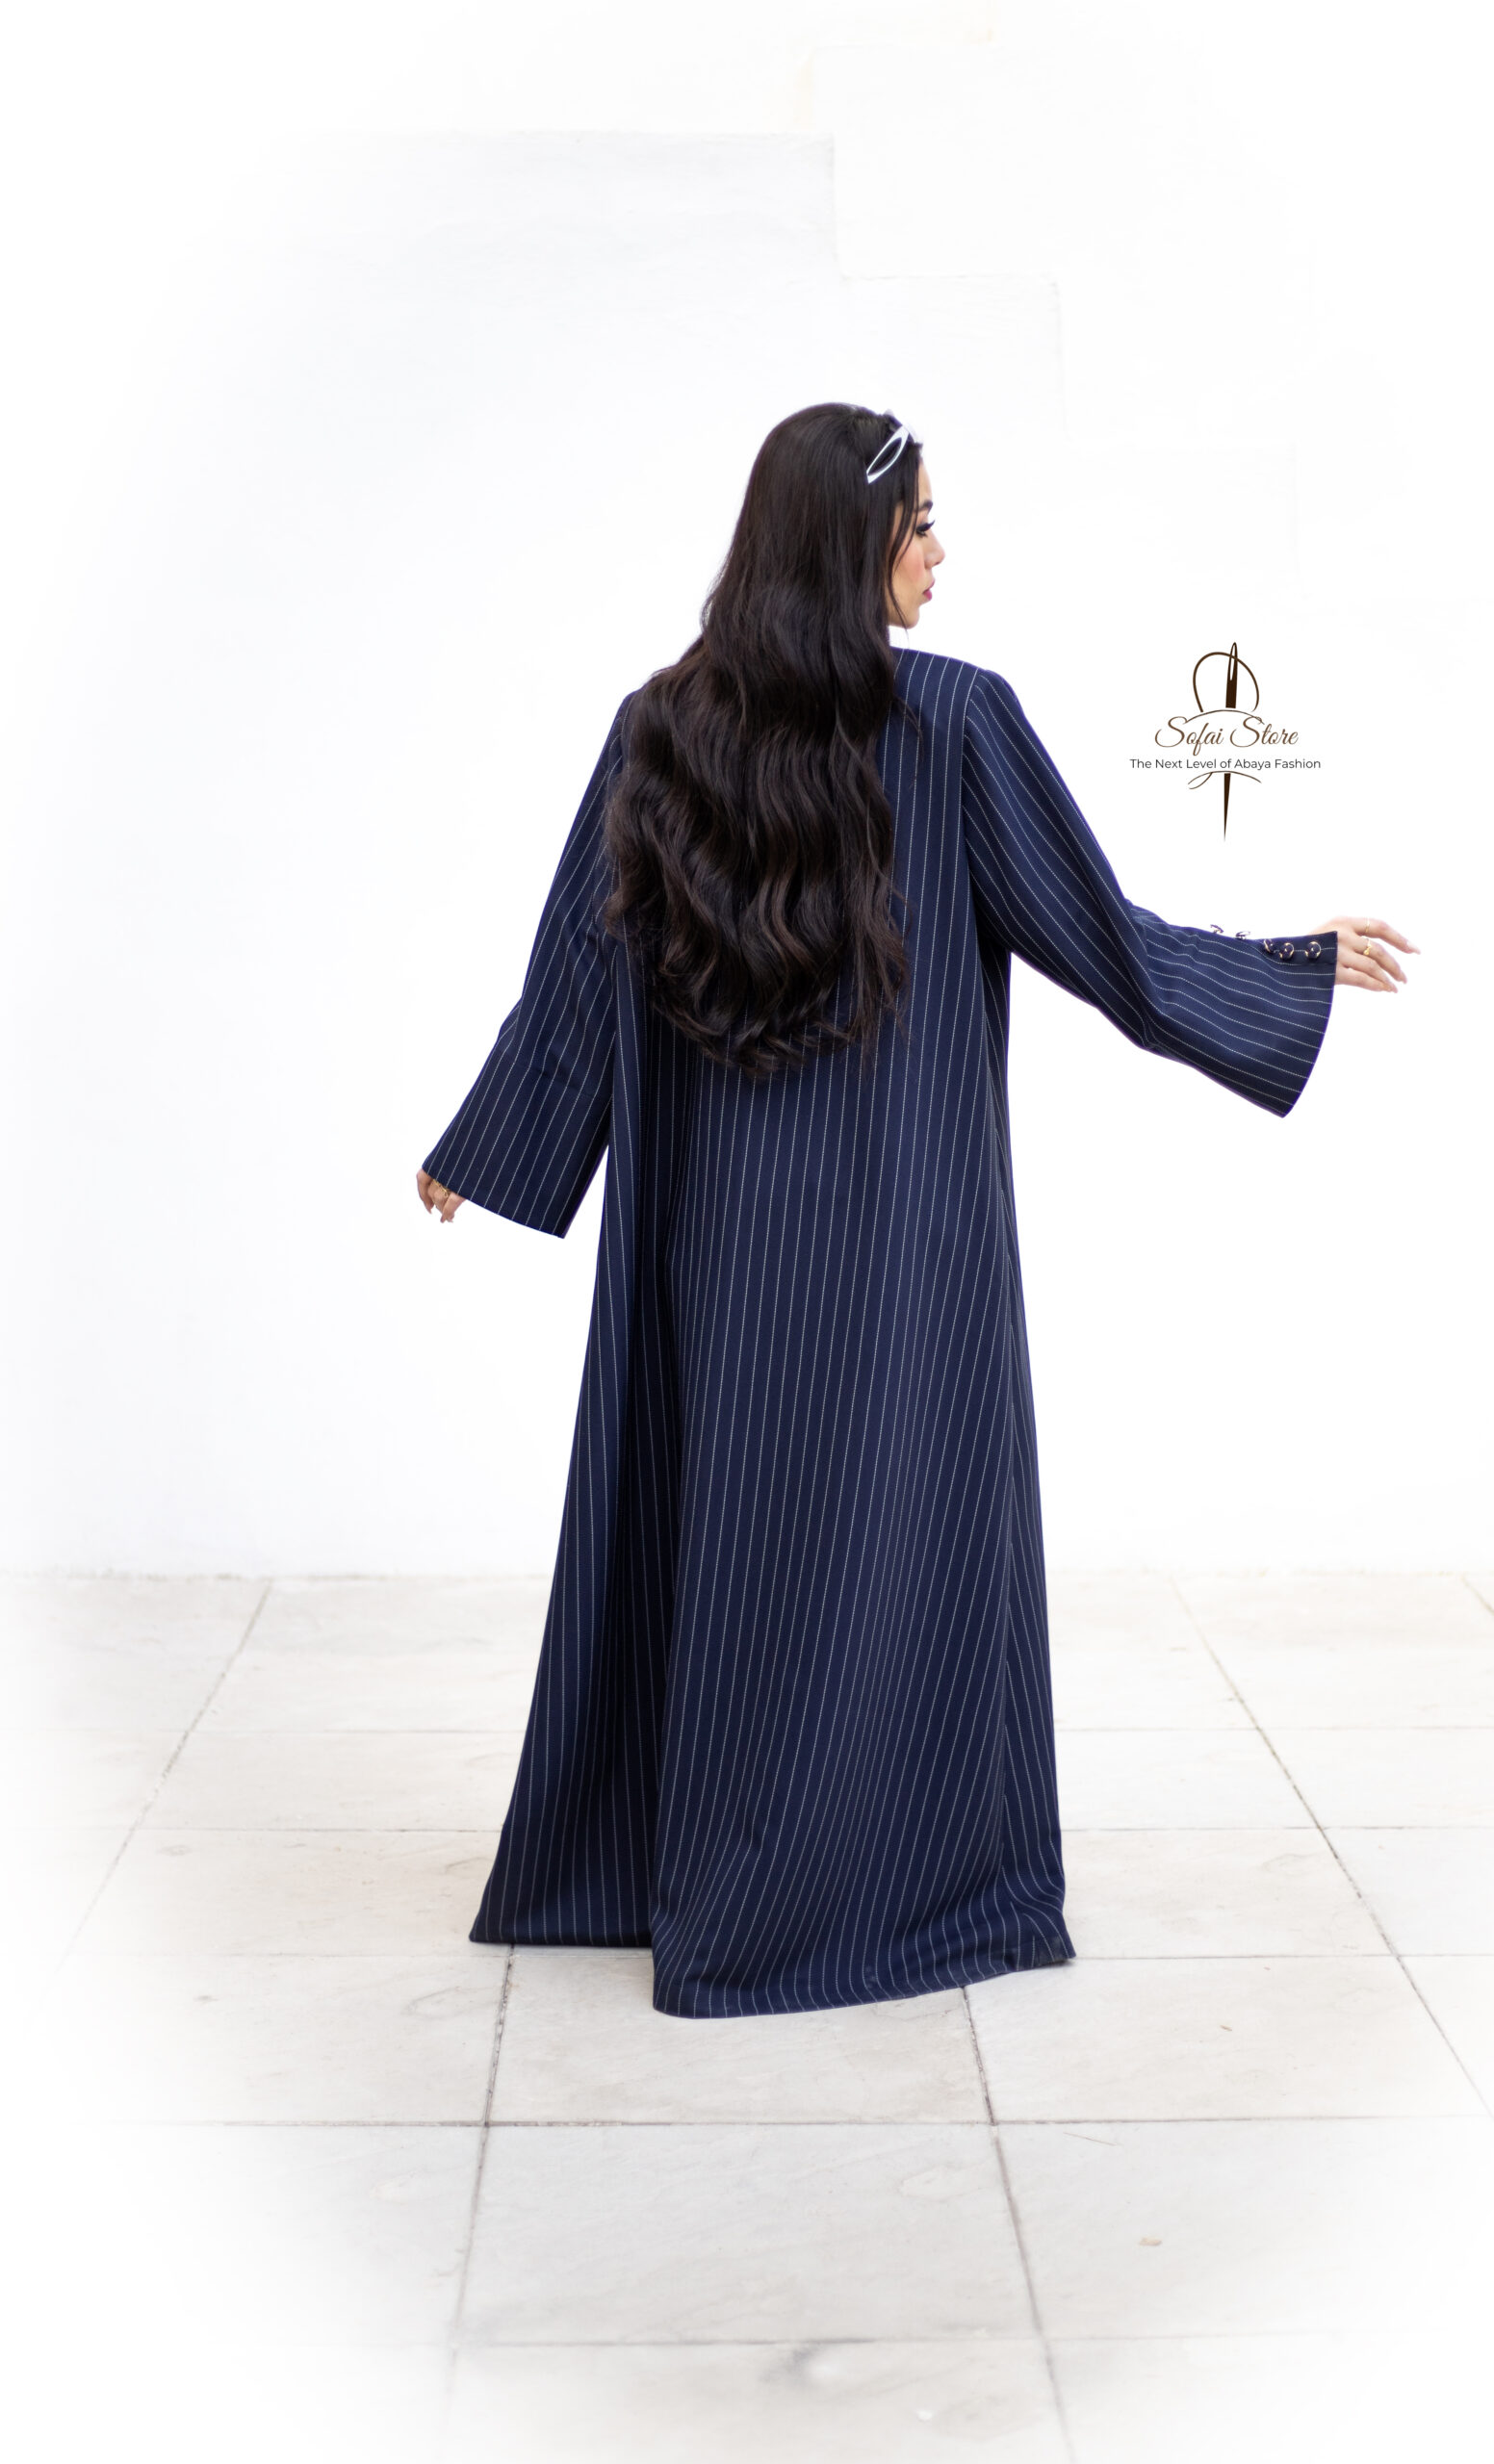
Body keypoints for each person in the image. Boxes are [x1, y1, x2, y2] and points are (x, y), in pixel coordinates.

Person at [416, 403, 1415, 2018]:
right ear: (850, 540)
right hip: (902, 1243)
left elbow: (582, 966)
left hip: (719, 1244)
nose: (943, 554)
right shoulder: (951, 724)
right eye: (924, 523)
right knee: (904, 1547)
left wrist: (494, 1141)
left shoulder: (662, 724)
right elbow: (1104, 940)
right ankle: (889, 1891)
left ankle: (703, 1881)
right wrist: (1282, 968)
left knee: (733, 1531)